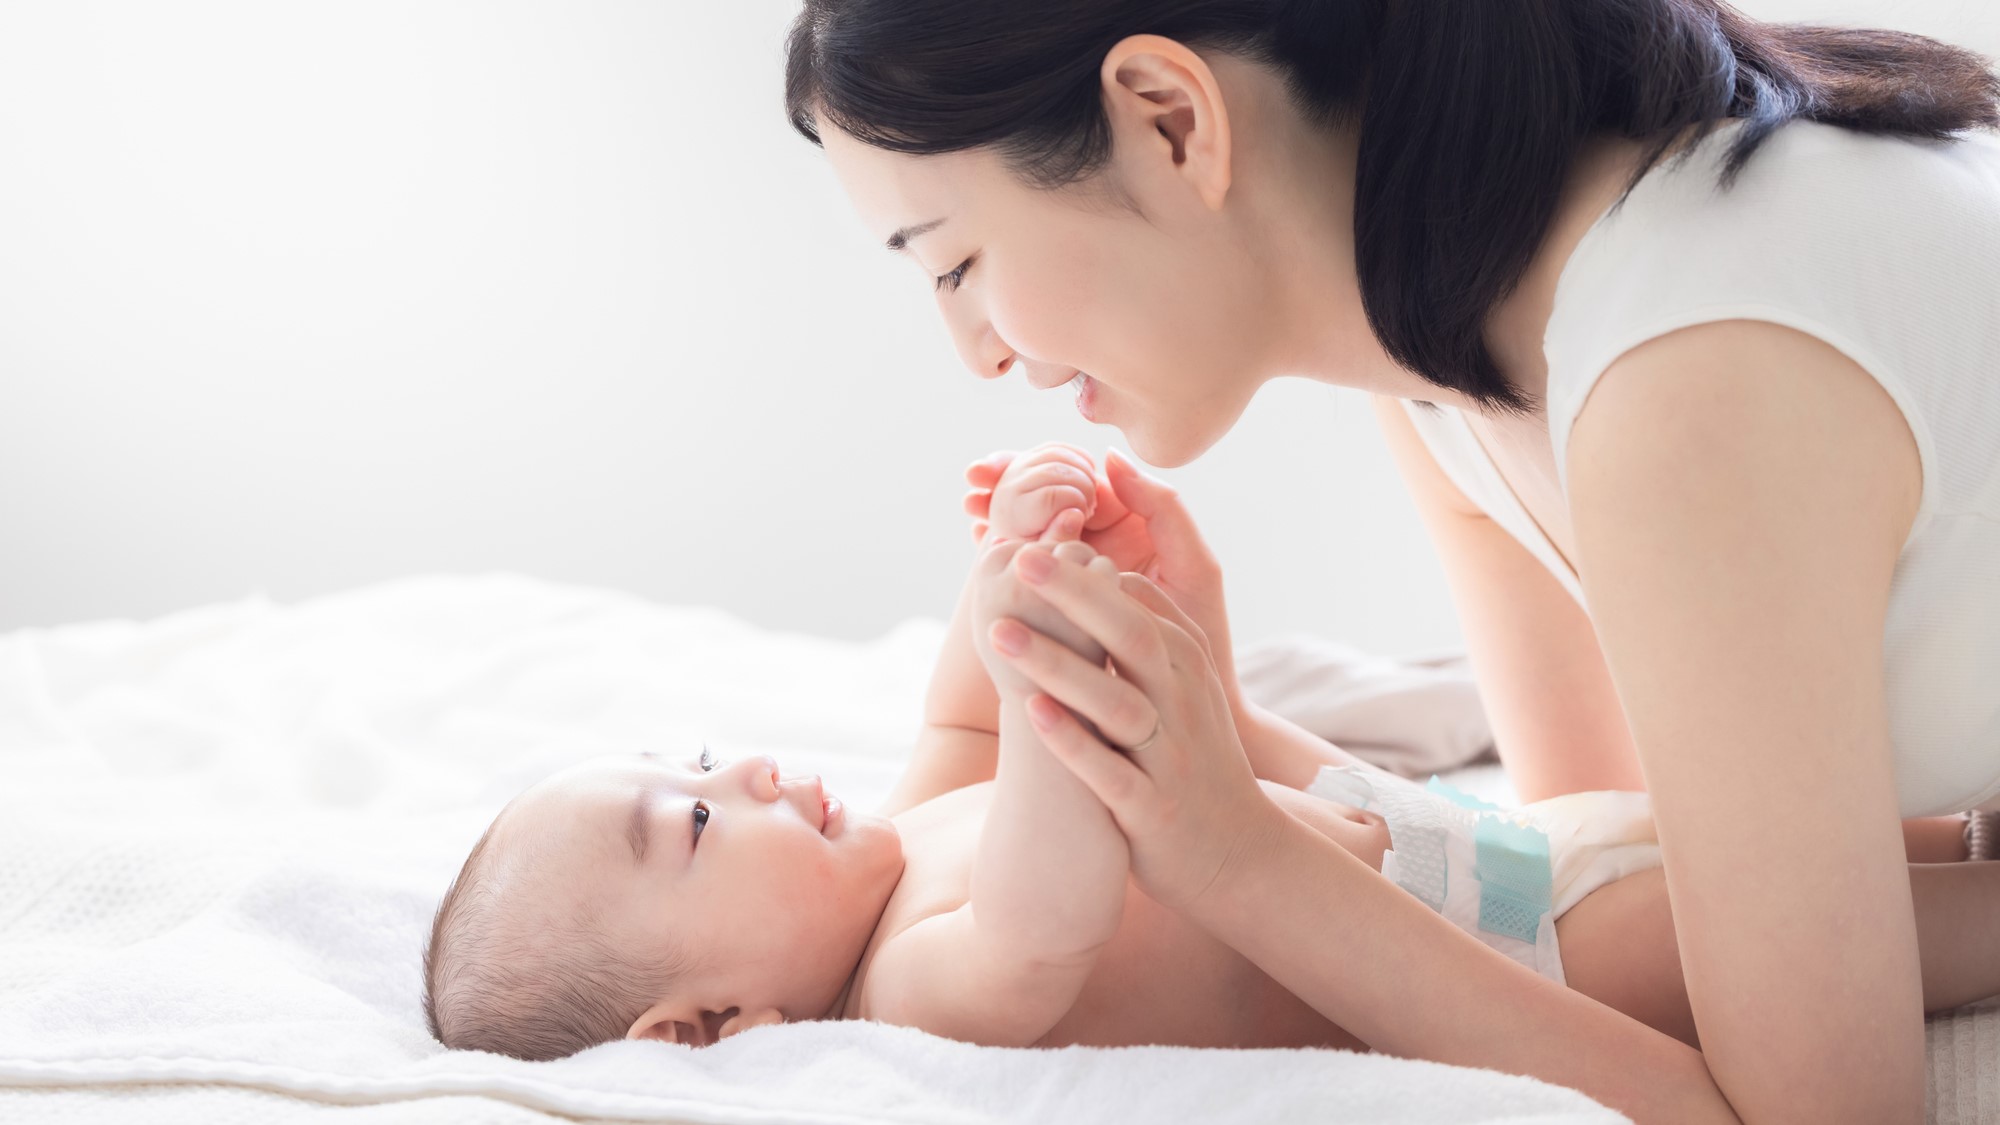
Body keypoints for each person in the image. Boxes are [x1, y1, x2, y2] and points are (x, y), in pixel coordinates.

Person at [783, 1, 2000, 1120]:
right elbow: (1573, 871)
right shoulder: (1454, 364)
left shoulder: (1684, 374)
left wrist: (1242, 863)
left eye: (953, 262)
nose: (976, 354)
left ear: (1168, 118)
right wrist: (1220, 729)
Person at [420, 444, 2000, 1064]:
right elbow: (1051, 910)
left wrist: (1011, 579)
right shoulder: (911, 990)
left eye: (708, 759)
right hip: (1520, 943)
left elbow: (966, 714)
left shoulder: (906, 832)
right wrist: (1067, 676)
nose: (755, 773)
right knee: (1837, 920)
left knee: (1869, 828)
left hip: (1497, 834)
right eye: (693, 824)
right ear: (704, 1022)